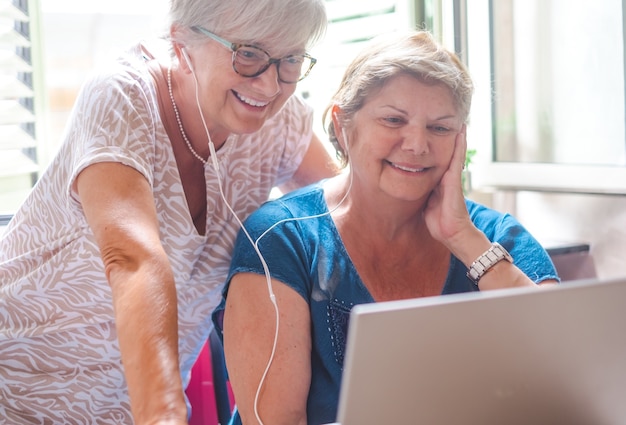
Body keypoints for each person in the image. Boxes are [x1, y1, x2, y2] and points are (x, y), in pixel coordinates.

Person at [0, 0, 338, 423]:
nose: (270, 86)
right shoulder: (122, 95)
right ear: (182, 40)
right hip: (13, 389)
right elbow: (133, 259)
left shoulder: (279, 122)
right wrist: (163, 414)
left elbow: (350, 217)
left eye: (289, 59)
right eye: (248, 53)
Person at [213, 30, 560, 425]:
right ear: (342, 126)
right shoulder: (282, 238)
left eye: (441, 128)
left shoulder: (494, 238)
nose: (416, 144)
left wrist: (465, 241)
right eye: (394, 120)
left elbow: (570, 374)